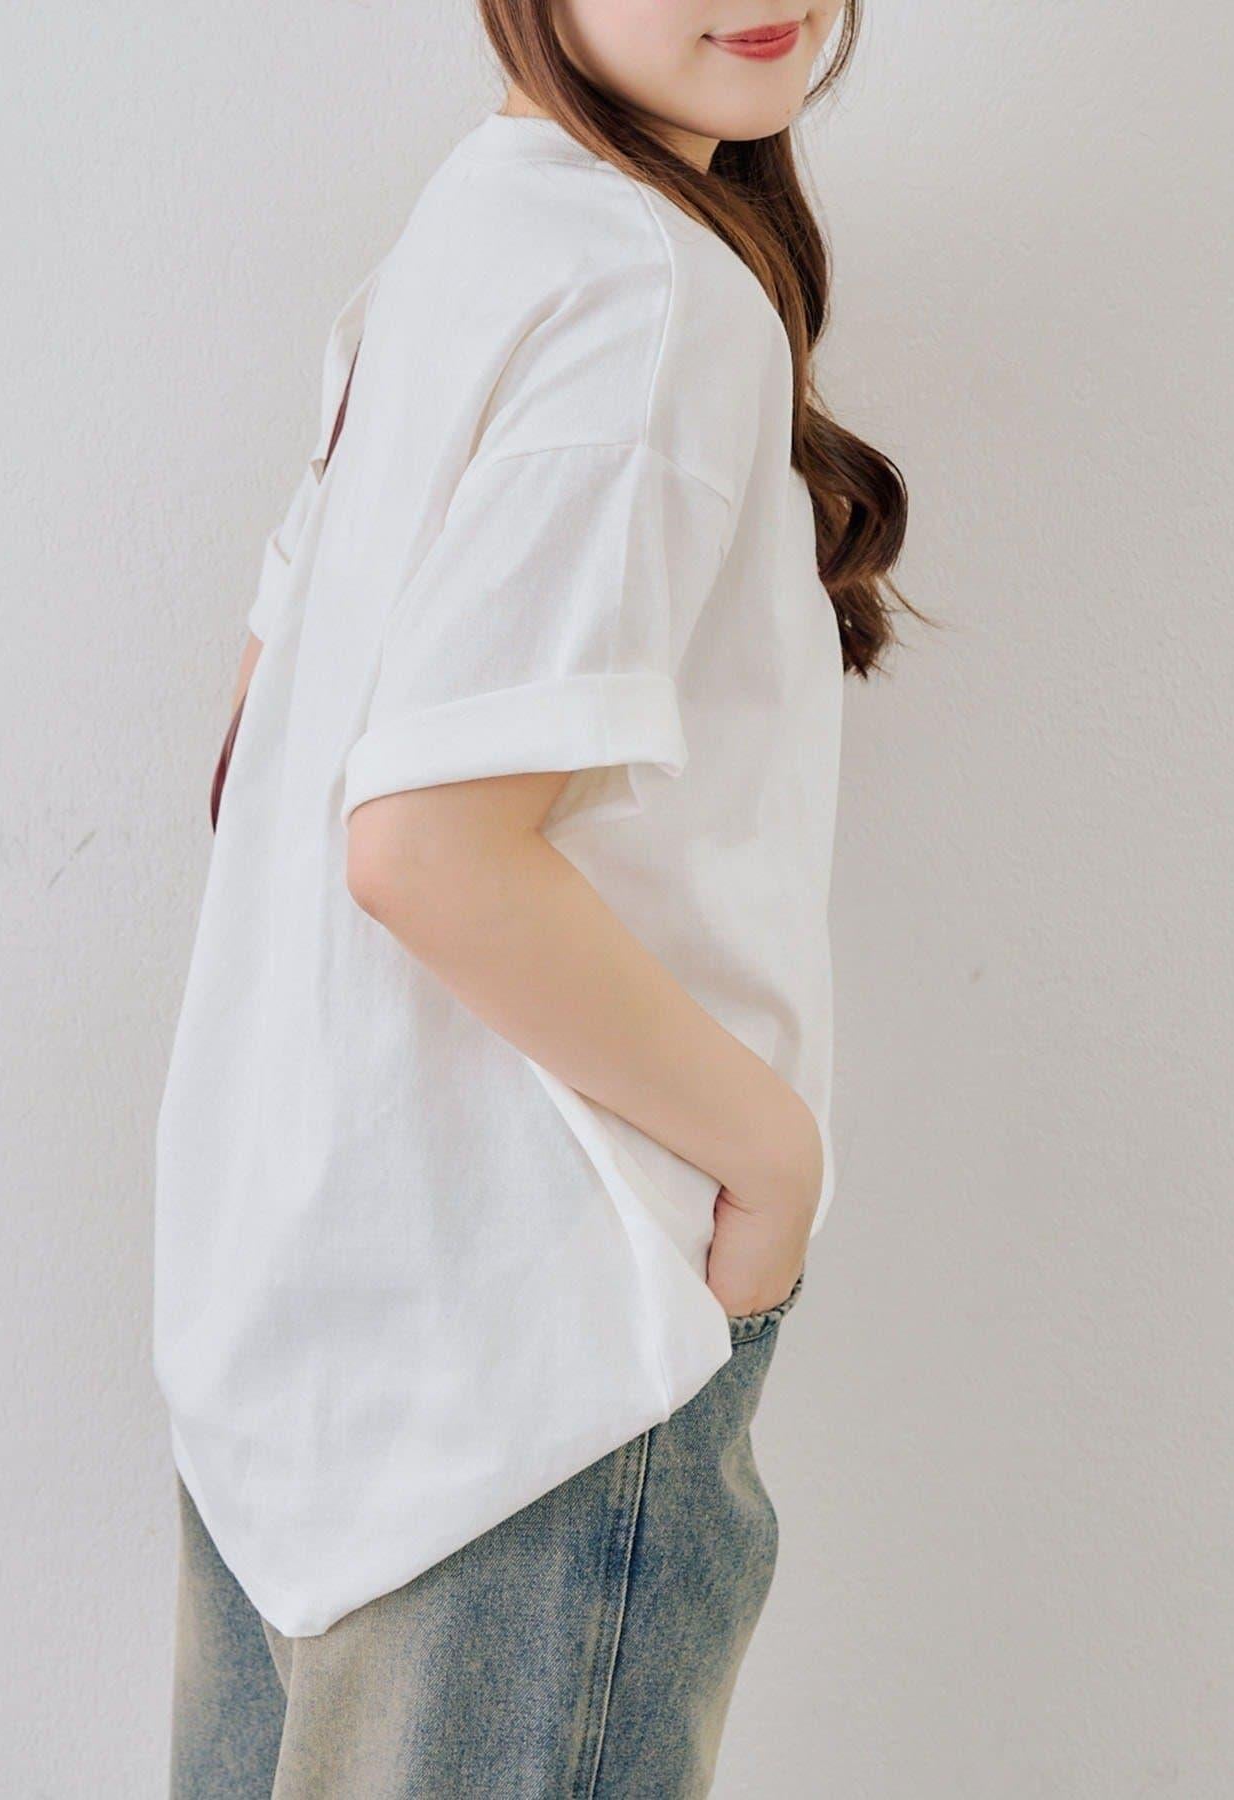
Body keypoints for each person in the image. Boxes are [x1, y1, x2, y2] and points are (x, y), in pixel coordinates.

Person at [157, 2, 909, 1793]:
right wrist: (774, 1162)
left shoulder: (465, 233)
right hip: (544, 1356)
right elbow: (424, 844)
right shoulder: (651, 293)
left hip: (310, 1335)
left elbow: (260, 740)